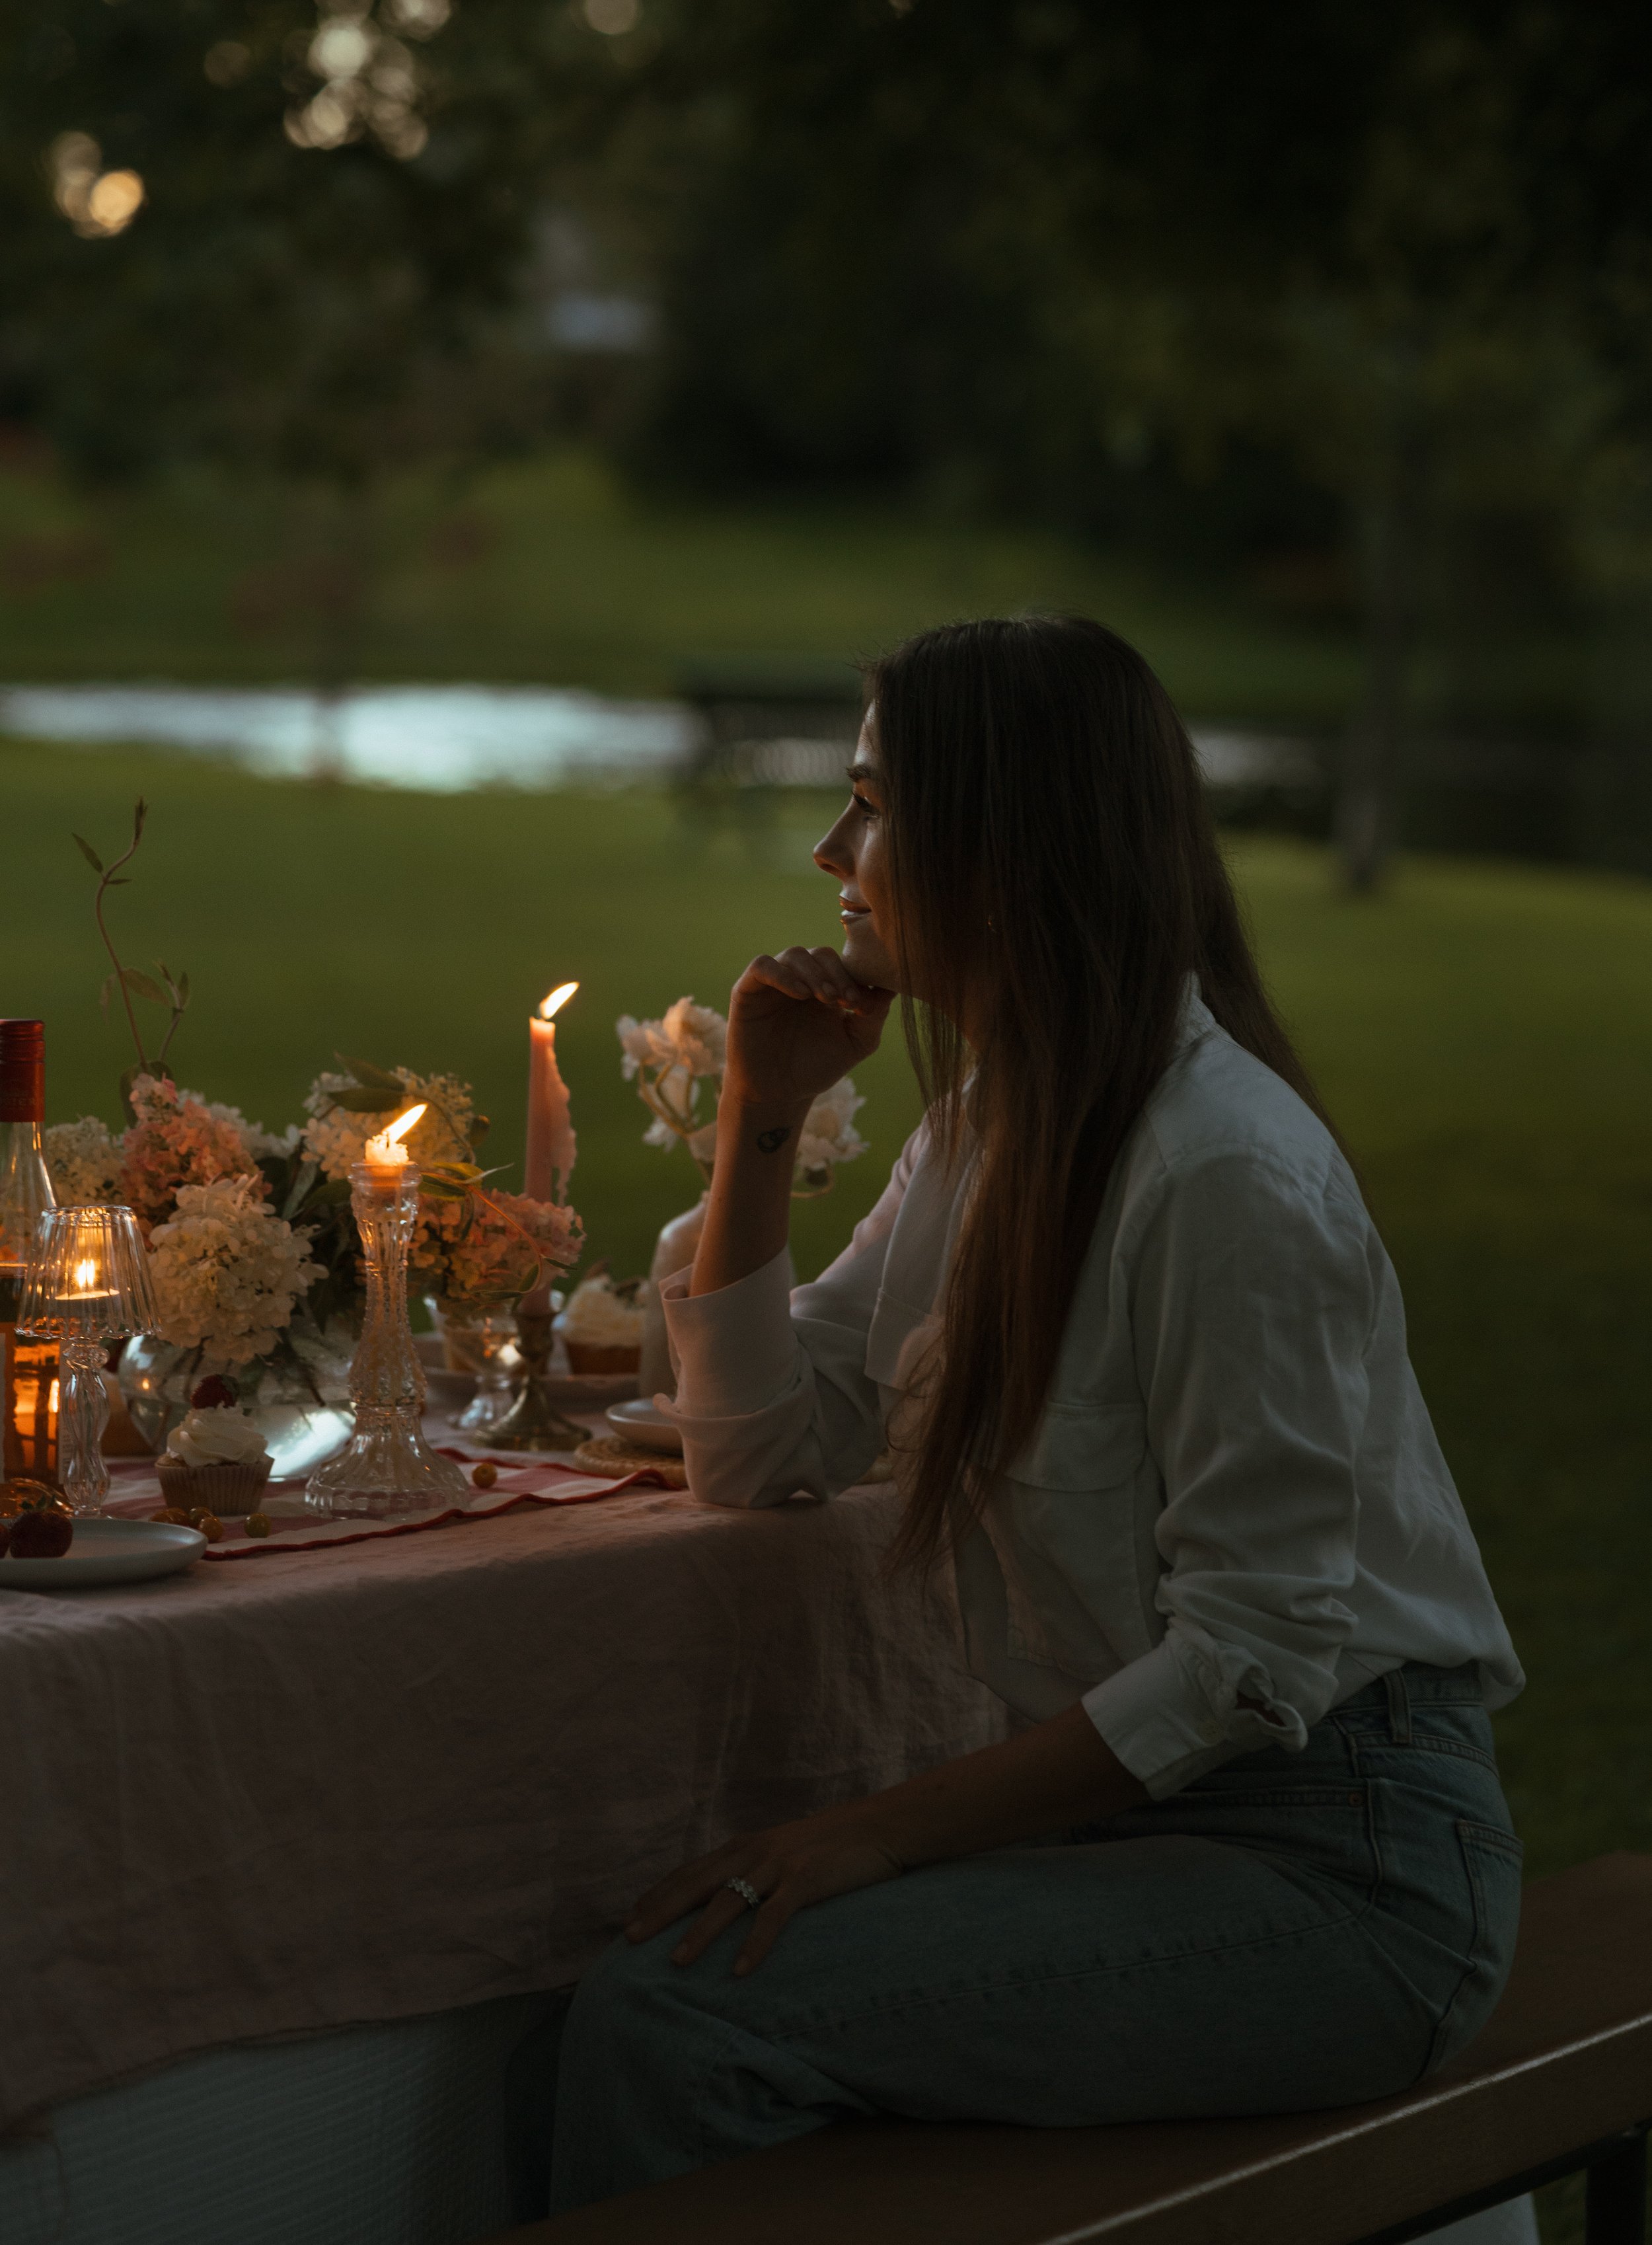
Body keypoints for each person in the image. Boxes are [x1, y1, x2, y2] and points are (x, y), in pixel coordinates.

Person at [546, 615, 1524, 2212]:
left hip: (1340, 1869)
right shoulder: (978, 1137)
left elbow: (1252, 1661)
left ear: (1007, 852)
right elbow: (758, 1451)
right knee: (654, 1983)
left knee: (676, 2013)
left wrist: (871, 1834)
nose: (830, 851)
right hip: (1148, 1834)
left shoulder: (1221, 1172)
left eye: (875, 806)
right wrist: (760, 1118)